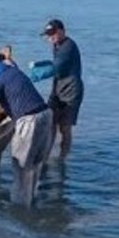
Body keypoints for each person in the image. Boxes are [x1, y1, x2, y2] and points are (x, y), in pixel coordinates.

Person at [0, 51, 53, 207]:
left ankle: (19, 209)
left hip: (29, 121)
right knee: (34, 164)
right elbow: (1, 101)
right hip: (46, 115)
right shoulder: (12, 70)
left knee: (21, 166)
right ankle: (31, 201)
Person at [35, 18, 84, 159]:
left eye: (53, 34)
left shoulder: (69, 46)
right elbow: (55, 67)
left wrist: (36, 76)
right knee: (50, 124)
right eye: (48, 35)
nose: (50, 38)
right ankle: (45, 156)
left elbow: (55, 67)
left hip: (71, 92)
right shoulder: (56, 45)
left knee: (64, 128)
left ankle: (63, 158)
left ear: (62, 31)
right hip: (58, 89)